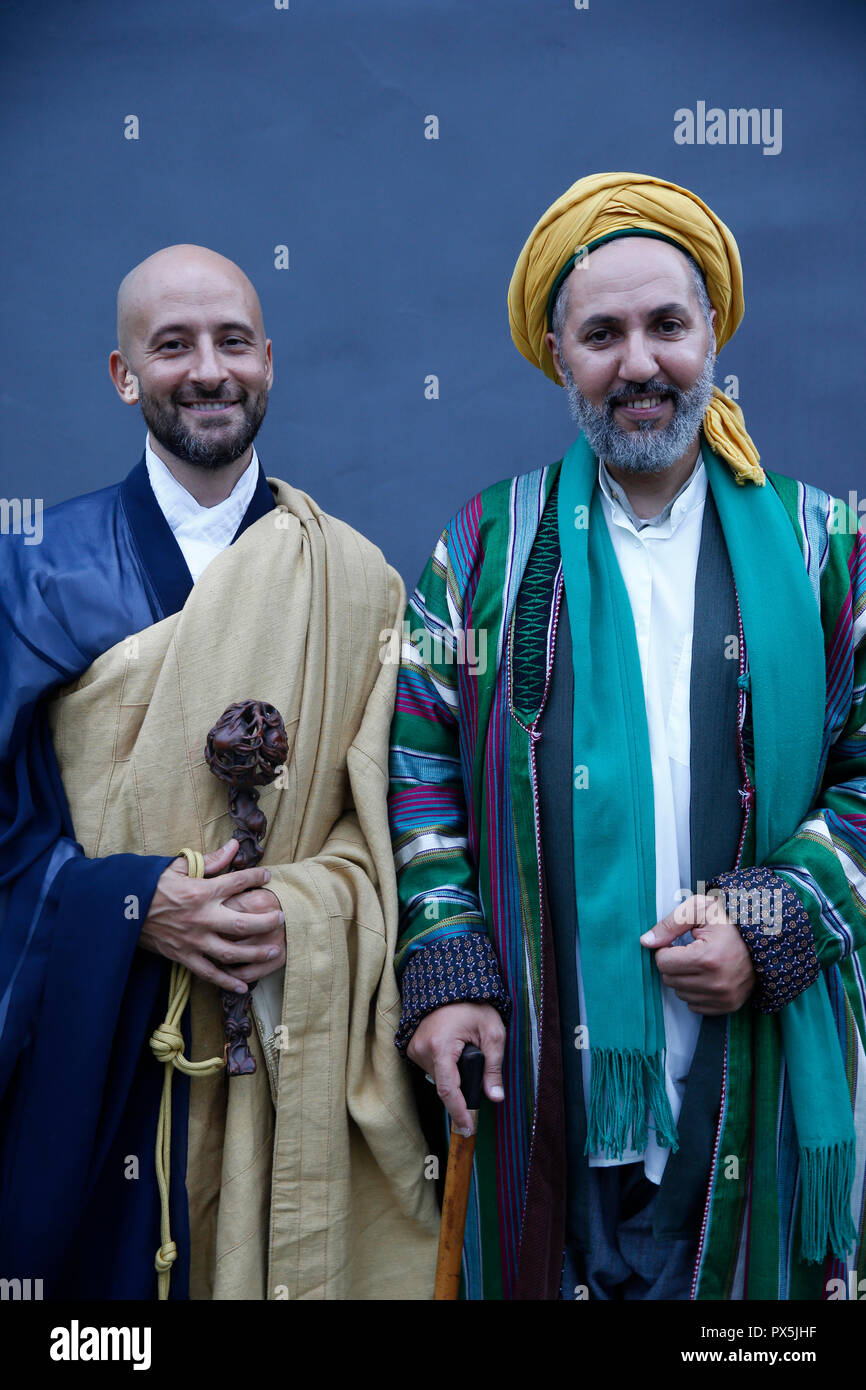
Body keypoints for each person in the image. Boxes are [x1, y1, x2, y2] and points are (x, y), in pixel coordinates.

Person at [388, 172, 866, 1300]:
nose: (638, 363)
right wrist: (448, 969)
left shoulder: (820, 544)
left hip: (758, 1063)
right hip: (539, 1069)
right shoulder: (482, 550)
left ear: (713, 335)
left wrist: (769, 918)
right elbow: (417, 780)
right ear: (556, 353)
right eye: (600, 333)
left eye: (667, 325)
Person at [0, 244, 439, 1300]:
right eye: (173, 345)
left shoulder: (355, 580)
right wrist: (130, 904)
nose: (208, 369)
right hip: (103, 1038)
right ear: (122, 373)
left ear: (269, 361)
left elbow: (393, 817)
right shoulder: (34, 568)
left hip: (288, 1030)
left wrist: (302, 906)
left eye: (232, 342)